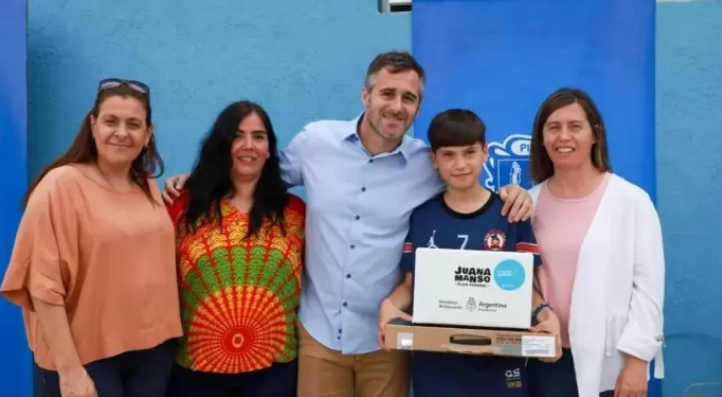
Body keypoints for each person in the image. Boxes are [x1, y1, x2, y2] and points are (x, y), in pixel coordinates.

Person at [162, 51, 534, 397]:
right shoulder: (315, 142)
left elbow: (467, 182)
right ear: (365, 95)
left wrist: (512, 193)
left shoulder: (427, 163)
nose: (397, 106)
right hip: (318, 336)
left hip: (385, 338)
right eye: (387, 93)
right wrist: (194, 181)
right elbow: (255, 173)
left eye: (409, 98)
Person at [0, 78, 183, 397]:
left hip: (153, 354)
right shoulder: (61, 186)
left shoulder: (149, 186)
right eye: (111, 121)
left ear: (147, 134)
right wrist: (69, 371)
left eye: (134, 124)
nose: (122, 133)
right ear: (93, 124)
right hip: (86, 359)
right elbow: (43, 286)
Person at [377, 109, 559, 397]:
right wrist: (389, 305)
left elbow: (523, 287)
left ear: (485, 152)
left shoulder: (511, 214)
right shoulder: (422, 217)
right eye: (448, 155)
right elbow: (412, 286)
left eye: (469, 152)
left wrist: (544, 313)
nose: (460, 164)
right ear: (434, 160)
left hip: (500, 363)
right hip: (437, 364)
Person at [525, 88, 665, 397]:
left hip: (610, 363)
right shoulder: (528, 204)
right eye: (553, 127)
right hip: (544, 357)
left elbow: (648, 289)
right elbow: (520, 278)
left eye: (575, 126)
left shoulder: (630, 201)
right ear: (542, 138)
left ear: (595, 134)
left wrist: (638, 359)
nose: (564, 137)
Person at [164, 100, 306, 397]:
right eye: (238, 136)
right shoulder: (183, 206)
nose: (248, 145)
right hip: (197, 369)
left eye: (258, 136)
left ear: (269, 149)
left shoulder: (295, 213)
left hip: (274, 370)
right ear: (222, 145)